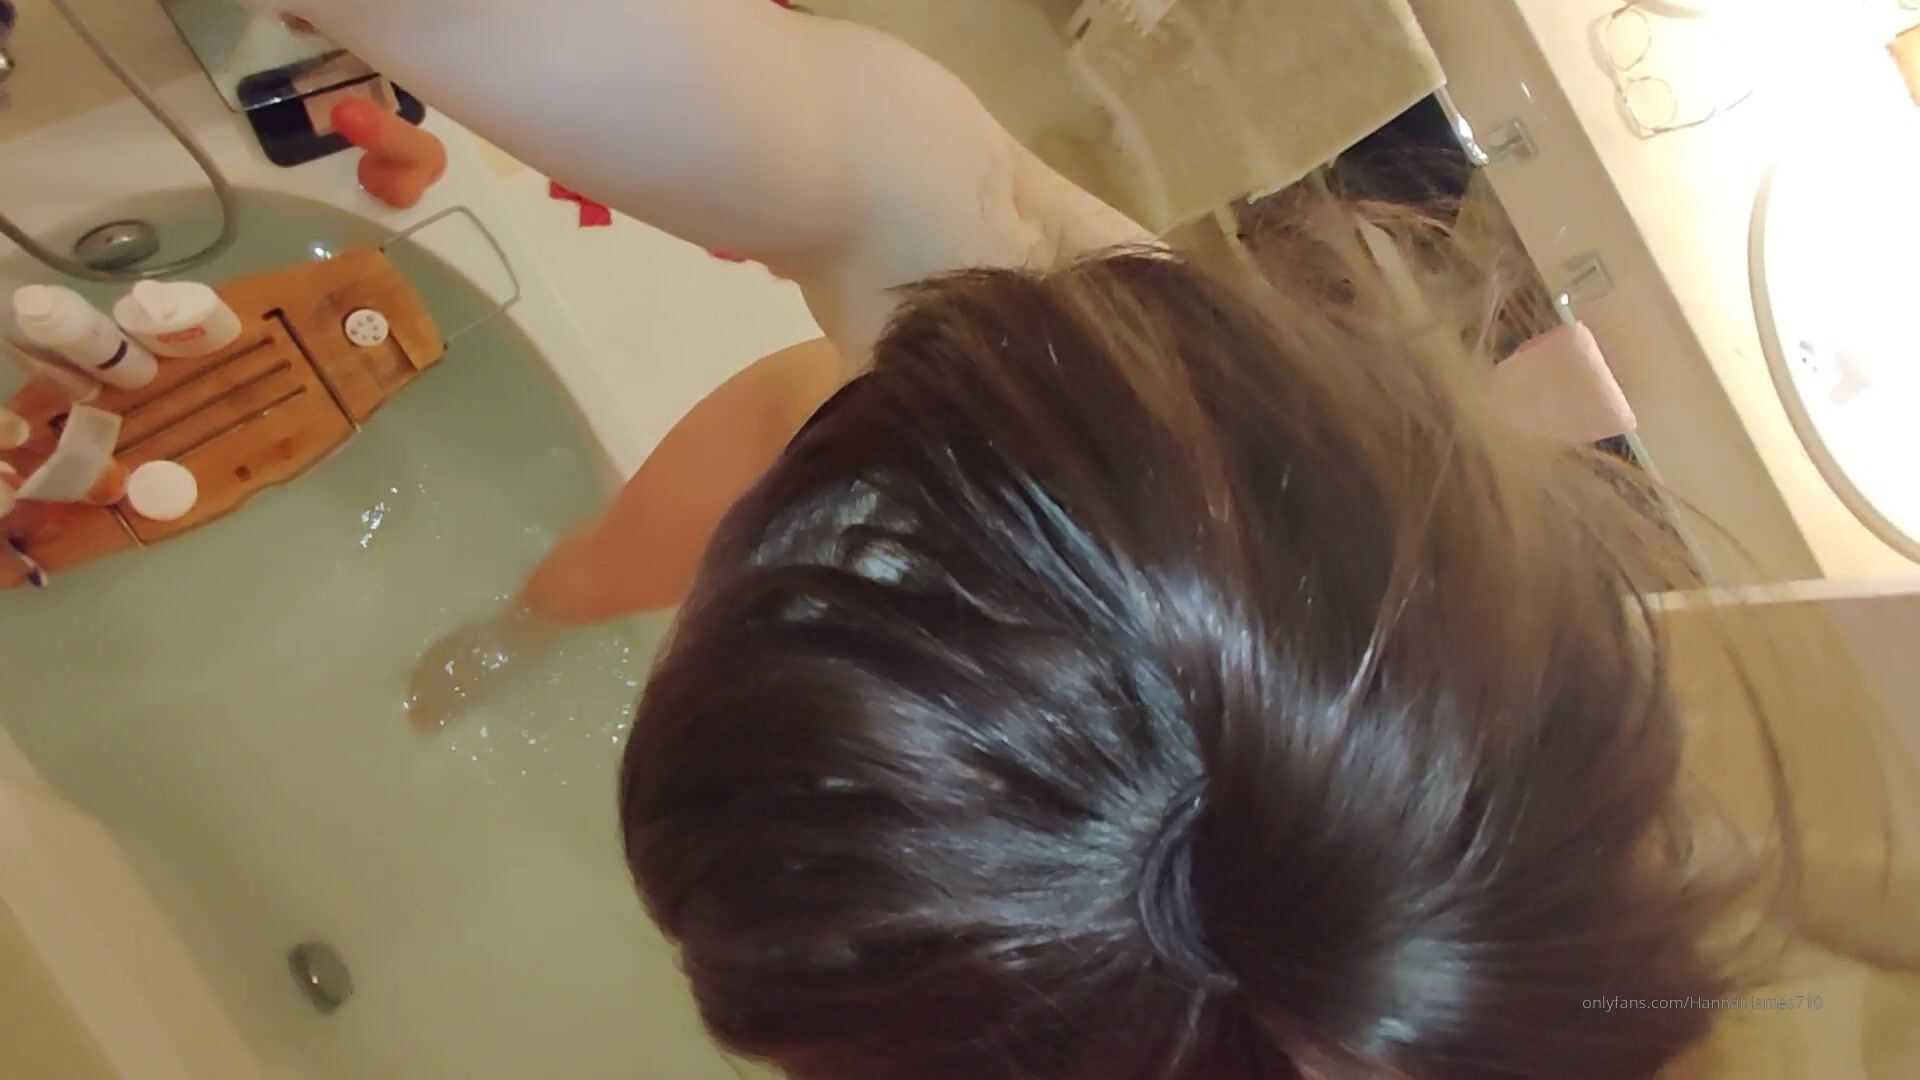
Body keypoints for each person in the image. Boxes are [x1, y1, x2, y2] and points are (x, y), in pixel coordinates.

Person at [278, 3, 1782, 1076]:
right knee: (607, 562)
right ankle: (547, 610)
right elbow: (858, 147)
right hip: (926, 398)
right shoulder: (1095, 354)